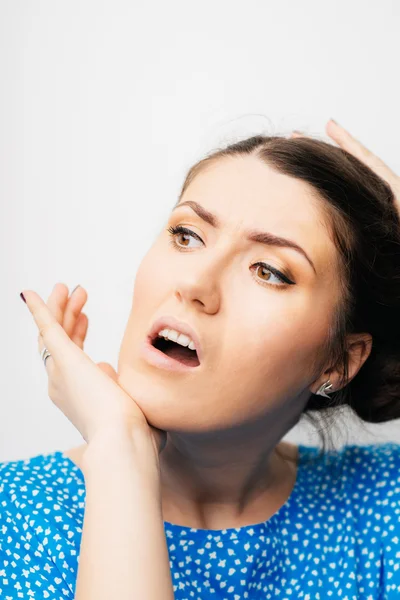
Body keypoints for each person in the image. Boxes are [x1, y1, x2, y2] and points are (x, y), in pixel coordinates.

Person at [1, 119, 400, 599]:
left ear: (339, 359)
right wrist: (121, 448)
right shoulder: (16, 515)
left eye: (268, 270)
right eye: (187, 236)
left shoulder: (383, 505)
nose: (195, 285)